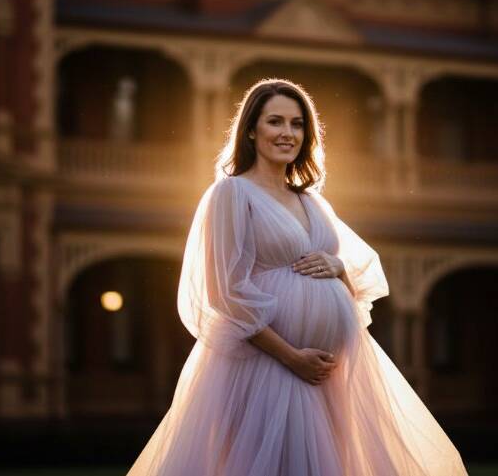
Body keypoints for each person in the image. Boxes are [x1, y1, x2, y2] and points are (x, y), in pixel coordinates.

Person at [126, 78, 468, 475]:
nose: (287, 133)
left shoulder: (311, 201)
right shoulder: (232, 194)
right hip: (268, 366)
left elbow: (356, 273)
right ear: (251, 130)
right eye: (275, 121)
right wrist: (292, 357)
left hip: (328, 375)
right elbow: (226, 294)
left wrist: (338, 267)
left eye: (297, 124)